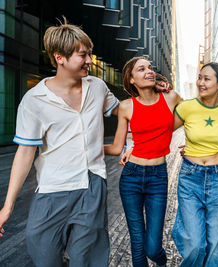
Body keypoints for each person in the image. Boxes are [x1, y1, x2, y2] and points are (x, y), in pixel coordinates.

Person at [0, 20, 118, 266]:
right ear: (59, 57)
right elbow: (25, 153)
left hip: (92, 183)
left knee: (87, 258)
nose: (89, 61)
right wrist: (7, 207)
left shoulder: (97, 87)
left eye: (89, 54)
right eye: (83, 55)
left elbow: (126, 110)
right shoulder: (34, 100)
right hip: (52, 188)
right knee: (42, 252)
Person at [104, 56, 181, 267]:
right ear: (131, 79)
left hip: (158, 177)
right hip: (131, 177)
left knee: (153, 247)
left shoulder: (172, 98)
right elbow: (117, 147)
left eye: (150, 68)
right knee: (137, 243)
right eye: (141, 69)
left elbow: (195, 115)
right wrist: (88, 149)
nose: (149, 71)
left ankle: (162, 263)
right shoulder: (126, 106)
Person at [171, 62, 218, 266]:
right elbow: (161, 132)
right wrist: (132, 147)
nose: (200, 83)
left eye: (206, 78)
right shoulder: (186, 107)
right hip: (190, 177)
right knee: (195, 245)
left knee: (216, 245)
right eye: (200, 77)